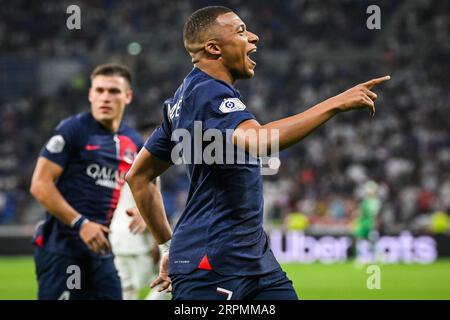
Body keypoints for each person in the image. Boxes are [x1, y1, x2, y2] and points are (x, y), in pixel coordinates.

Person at [126, 6, 390, 300]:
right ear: (214, 48)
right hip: (212, 263)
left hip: (254, 261)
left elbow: (139, 176)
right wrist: (334, 104)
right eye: (240, 31)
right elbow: (262, 141)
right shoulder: (207, 93)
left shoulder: (181, 100)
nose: (254, 37)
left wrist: (168, 247)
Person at [30, 63, 144, 300]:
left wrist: (143, 210)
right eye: (99, 90)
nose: (105, 97)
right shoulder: (72, 130)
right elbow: (40, 184)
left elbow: (147, 184)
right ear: (90, 94)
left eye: (113, 91)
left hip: (102, 251)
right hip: (62, 250)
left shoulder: (132, 140)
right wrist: (81, 223)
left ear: (128, 96)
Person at [109, 121, 171, 300]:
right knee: (165, 284)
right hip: (137, 237)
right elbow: (148, 205)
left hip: (116, 238)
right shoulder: (146, 169)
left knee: (126, 291)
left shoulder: (117, 165)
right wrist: (155, 241)